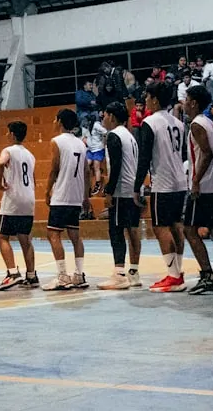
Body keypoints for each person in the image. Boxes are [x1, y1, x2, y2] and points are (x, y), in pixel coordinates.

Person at [133, 81, 189, 293]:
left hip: (163, 182)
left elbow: (145, 157)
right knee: (176, 225)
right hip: (179, 180)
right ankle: (178, 271)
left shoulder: (150, 123)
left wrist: (137, 186)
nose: (145, 101)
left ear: (155, 99)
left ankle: (173, 276)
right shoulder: (178, 123)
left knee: (160, 227)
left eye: (147, 97)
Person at [181, 85, 213, 294]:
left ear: (193, 103)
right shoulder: (210, 123)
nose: (183, 103)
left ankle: (207, 274)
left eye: (186, 99)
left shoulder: (196, 124)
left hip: (203, 188)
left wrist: (195, 181)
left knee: (189, 230)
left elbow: (208, 153)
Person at [43, 108, 91, 291]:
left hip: (62, 194)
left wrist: (48, 190)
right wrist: (86, 197)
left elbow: (54, 168)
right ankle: (78, 274)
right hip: (76, 196)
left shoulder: (57, 141)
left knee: (53, 233)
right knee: (75, 236)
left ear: (60, 121)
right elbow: (86, 172)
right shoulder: (81, 144)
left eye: (55, 119)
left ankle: (63, 276)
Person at [97, 101, 143, 290]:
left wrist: (108, 191)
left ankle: (119, 274)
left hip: (122, 191)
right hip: (133, 189)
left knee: (116, 231)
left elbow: (115, 167)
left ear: (112, 117)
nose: (103, 118)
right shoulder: (130, 137)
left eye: (105, 115)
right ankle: (134, 272)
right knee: (133, 231)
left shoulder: (114, 136)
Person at [0, 121, 38, 290]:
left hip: (13, 199)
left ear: (12, 134)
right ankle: (32, 275)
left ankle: (12, 273)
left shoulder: (8, 151)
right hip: (29, 199)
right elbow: (33, 179)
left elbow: (0, 163)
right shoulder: (30, 154)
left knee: (2, 236)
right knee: (25, 238)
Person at [83, 119, 108, 196]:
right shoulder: (84, 127)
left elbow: (105, 132)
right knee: (86, 164)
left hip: (98, 149)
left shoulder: (96, 125)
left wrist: (103, 142)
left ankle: (97, 184)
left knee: (96, 166)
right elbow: (84, 137)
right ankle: (87, 186)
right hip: (90, 150)